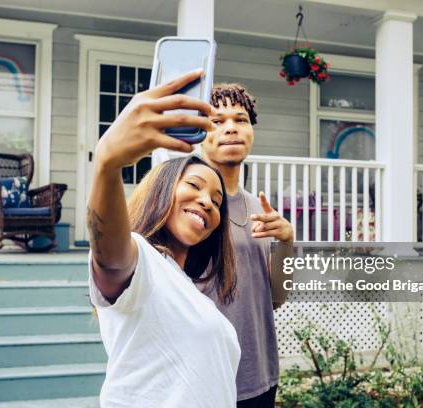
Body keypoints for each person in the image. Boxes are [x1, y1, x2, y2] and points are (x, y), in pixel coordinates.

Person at [87, 70, 240, 408]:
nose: (207, 202)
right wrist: (107, 164)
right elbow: (108, 255)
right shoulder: (140, 262)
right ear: (161, 191)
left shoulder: (189, 289)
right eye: (195, 186)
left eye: (217, 201)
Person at [200, 83, 294, 407]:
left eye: (240, 119)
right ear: (200, 131)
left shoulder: (260, 209)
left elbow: (277, 298)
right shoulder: (186, 207)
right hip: (206, 381)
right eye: (217, 120)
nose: (230, 128)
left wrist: (286, 242)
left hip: (261, 376)